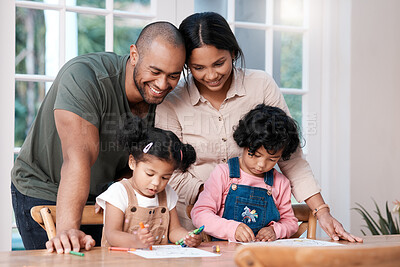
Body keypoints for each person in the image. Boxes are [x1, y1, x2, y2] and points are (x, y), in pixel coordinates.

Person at [155, 12, 362, 242]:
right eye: (198, 67)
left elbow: (290, 158)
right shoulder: (172, 100)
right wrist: (216, 195)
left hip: (256, 234)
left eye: (219, 63)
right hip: (194, 229)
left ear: (233, 53)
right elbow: (168, 170)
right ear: (186, 64)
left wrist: (322, 212)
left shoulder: (260, 85)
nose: (211, 75)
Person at [11, 21, 186, 253]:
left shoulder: (159, 99)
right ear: (134, 55)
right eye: (155, 72)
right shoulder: (85, 77)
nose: (162, 84)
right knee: (65, 256)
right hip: (45, 191)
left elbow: (137, 165)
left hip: (105, 199)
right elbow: (78, 157)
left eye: (173, 76)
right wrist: (67, 229)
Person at [191, 105, 299, 242]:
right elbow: (199, 214)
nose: (261, 164)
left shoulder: (280, 182)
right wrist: (231, 229)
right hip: (224, 255)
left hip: (262, 256)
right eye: (255, 154)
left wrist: (274, 230)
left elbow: (290, 222)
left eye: (272, 159)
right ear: (244, 143)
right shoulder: (224, 174)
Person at [96, 116, 201, 248]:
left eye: (165, 177)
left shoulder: (167, 193)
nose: (156, 183)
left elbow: (174, 230)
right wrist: (136, 241)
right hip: (120, 260)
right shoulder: (119, 192)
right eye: (149, 174)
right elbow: (112, 234)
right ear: (132, 162)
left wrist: (187, 237)